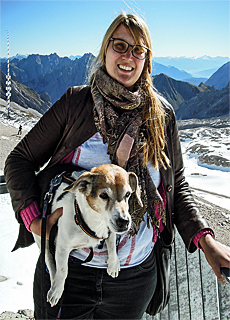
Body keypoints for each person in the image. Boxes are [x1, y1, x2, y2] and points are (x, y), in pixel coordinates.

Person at [4, 12, 230, 320]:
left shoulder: (162, 115)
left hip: (135, 277)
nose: (128, 56)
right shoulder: (76, 104)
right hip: (70, 270)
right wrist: (33, 222)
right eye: (120, 45)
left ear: (147, 59)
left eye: (138, 50)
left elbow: (176, 181)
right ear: (105, 50)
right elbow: (19, 160)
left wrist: (205, 240)